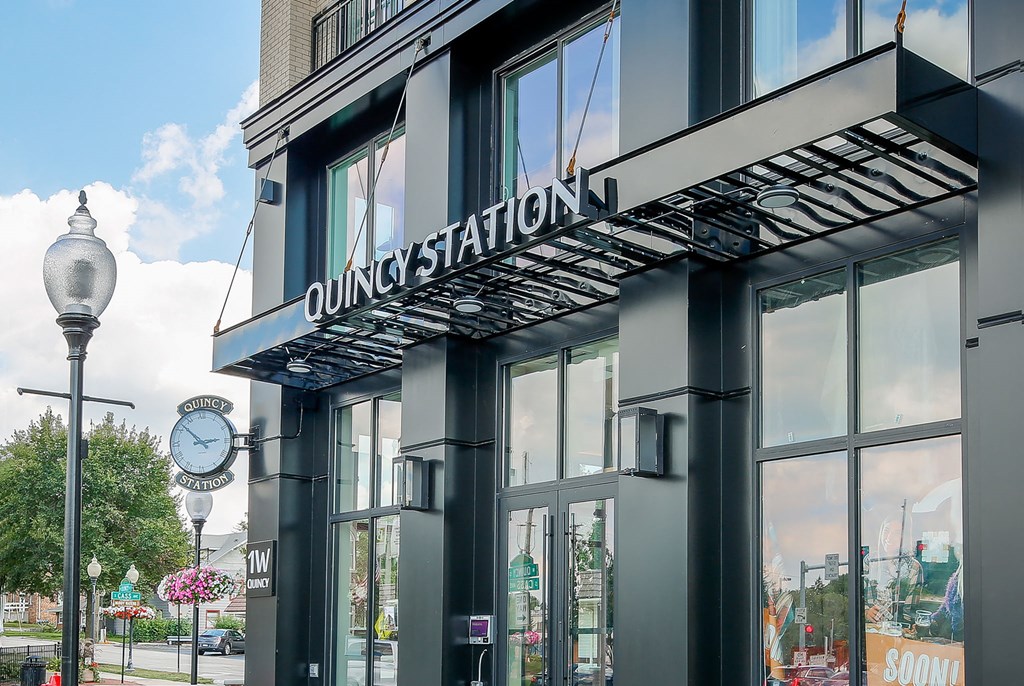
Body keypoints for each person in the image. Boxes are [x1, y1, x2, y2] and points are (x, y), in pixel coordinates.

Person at [864, 512, 924, 630]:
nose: (889, 537)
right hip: (869, 630)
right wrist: (866, 612)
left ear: (905, 538)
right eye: (886, 531)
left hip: (896, 631)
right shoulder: (869, 561)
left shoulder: (913, 567)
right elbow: (857, 596)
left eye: (896, 533)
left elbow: (909, 612)